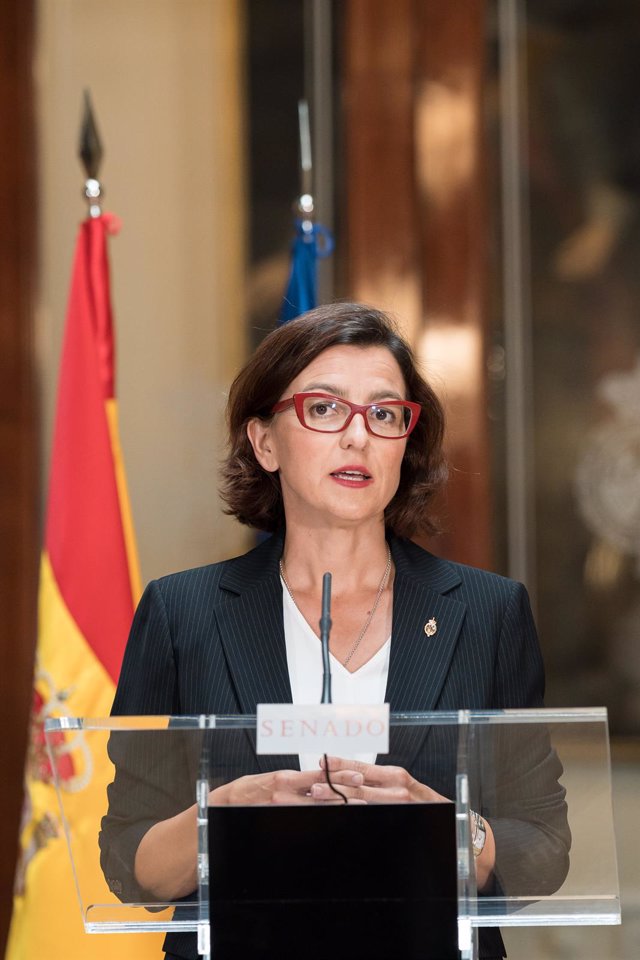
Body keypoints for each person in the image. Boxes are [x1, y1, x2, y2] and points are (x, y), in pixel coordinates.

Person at [100, 302, 570, 960]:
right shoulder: (184, 614)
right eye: (324, 408)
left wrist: (449, 826)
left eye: (384, 413)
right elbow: (127, 858)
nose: (359, 437)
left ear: (406, 443)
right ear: (265, 441)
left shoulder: (488, 612)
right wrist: (221, 820)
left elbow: (544, 848)